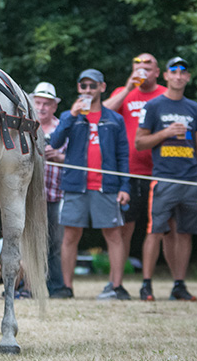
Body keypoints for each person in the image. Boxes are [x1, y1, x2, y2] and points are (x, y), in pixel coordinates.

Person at [49, 69, 131, 300]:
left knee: (114, 235)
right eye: (83, 86)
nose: (87, 90)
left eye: (92, 86)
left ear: (102, 88)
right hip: (76, 186)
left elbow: (123, 156)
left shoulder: (115, 119)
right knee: (70, 236)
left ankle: (116, 286)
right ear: (78, 88)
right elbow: (54, 143)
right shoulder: (69, 116)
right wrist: (72, 116)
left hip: (107, 186)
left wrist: (125, 187)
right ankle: (66, 287)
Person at [136, 56, 197, 302]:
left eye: (183, 72)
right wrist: (166, 132)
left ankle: (179, 284)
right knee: (155, 231)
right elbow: (139, 142)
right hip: (163, 178)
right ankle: (146, 285)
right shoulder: (154, 106)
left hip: (191, 179)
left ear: (187, 77)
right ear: (166, 76)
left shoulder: (194, 108)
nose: (178, 76)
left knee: (185, 233)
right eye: (174, 71)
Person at [103, 53, 175, 269]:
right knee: (124, 228)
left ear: (157, 72)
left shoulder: (166, 93)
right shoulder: (123, 93)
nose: (142, 68)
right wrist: (127, 89)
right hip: (129, 173)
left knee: (166, 228)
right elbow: (101, 113)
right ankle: (118, 283)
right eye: (138, 64)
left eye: (148, 64)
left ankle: (176, 282)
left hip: (161, 171)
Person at [30, 82, 71, 298]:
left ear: (54, 106)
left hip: (56, 194)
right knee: (30, 243)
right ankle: (28, 288)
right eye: (38, 102)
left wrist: (60, 157)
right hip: (30, 197)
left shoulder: (62, 128)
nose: (42, 107)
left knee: (55, 244)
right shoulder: (25, 126)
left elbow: (75, 159)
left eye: (47, 103)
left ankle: (56, 286)